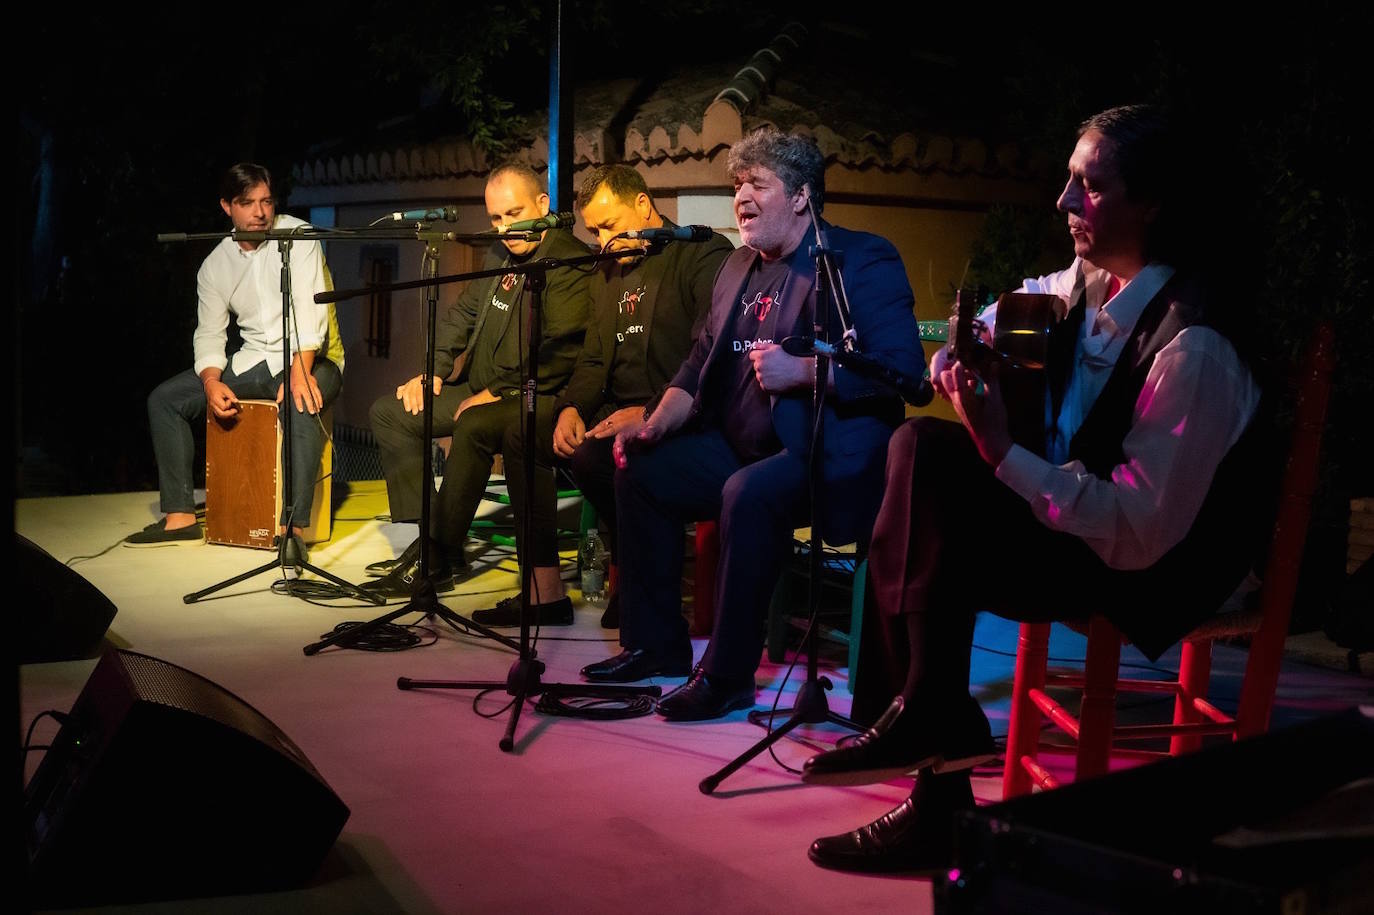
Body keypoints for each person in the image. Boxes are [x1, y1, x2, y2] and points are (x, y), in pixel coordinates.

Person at [801, 104, 1264, 874]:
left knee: (931, 477)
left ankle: (930, 745)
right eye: (1068, 180)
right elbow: (1002, 316)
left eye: (1089, 186)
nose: (1063, 201)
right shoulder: (1084, 286)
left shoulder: (1194, 348)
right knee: (922, 458)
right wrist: (968, 348)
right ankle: (932, 730)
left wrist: (1002, 449)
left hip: (1157, 570)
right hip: (1088, 532)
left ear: (1149, 203)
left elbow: (1140, 532)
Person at [579, 127, 924, 717]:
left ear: (801, 196)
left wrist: (809, 372)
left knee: (748, 492)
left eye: (757, 184)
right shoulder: (736, 267)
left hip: (824, 451)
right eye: (737, 183)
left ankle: (728, 675)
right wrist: (656, 424)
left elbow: (903, 375)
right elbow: (696, 364)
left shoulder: (861, 258)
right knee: (641, 468)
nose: (740, 196)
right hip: (741, 444)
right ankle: (657, 645)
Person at [470, 164, 733, 627]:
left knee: (598, 458)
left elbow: (708, 352)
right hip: (616, 406)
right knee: (527, 433)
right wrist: (572, 407)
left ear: (642, 204)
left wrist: (650, 411)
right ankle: (544, 595)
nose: (603, 241)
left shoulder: (699, 252)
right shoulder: (606, 270)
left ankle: (637, 578)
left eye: (610, 227)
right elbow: (593, 357)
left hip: (679, 408)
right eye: (594, 231)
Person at [364, 163, 593, 598]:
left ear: (544, 205)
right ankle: (434, 538)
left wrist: (494, 393)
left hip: (534, 395)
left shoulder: (570, 262)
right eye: (496, 218)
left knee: (472, 424)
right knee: (391, 413)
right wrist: (432, 368)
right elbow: (462, 314)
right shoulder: (499, 255)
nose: (506, 227)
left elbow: (557, 354)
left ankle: (436, 552)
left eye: (514, 213)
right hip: (478, 389)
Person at [128, 163, 342, 549]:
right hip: (252, 360)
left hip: (309, 358)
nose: (260, 212)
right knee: (165, 400)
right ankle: (179, 516)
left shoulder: (299, 236)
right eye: (247, 203)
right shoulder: (215, 265)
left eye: (266, 201)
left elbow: (313, 320)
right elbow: (209, 333)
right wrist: (211, 382)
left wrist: (299, 372)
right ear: (227, 206)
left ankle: (292, 528)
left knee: (301, 400)